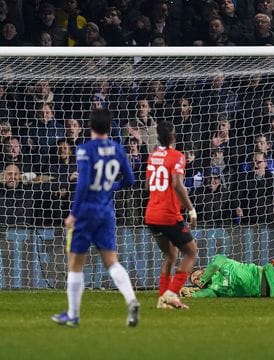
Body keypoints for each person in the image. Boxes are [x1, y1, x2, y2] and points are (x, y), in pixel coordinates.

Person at [52, 108, 139, 328]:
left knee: (75, 263)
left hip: (87, 211)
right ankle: (131, 299)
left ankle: (73, 314)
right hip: (107, 212)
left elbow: (82, 184)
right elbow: (130, 180)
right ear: (109, 128)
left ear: (90, 127)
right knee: (112, 261)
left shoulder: (84, 149)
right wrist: (110, 186)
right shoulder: (118, 149)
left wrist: (73, 213)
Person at [145, 121, 198, 310]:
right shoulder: (177, 156)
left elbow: (147, 184)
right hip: (168, 215)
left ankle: (162, 299)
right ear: (174, 136)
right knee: (191, 252)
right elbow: (177, 184)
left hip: (151, 214)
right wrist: (191, 209)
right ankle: (172, 293)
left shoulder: (152, 157)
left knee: (170, 254)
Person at [183, 254, 274, 298]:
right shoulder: (214, 289)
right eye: (194, 280)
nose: (196, 279)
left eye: (196, 275)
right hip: (271, 292)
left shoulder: (220, 262)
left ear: (202, 270)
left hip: (268, 273)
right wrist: (188, 294)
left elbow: (216, 262)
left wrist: (203, 278)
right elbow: (202, 295)